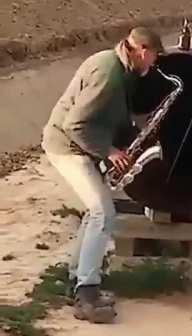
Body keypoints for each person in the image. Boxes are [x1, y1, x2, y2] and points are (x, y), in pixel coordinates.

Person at [42, 27, 166, 323]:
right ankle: (87, 290)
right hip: (68, 146)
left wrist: (136, 136)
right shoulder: (108, 73)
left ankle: (76, 279)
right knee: (102, 213)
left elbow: (113, 115)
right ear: (143, 50)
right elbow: (75, 124)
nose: (154, 65)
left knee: (94, 213)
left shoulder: (123, 71)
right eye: (154, 58)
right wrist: (110, 151)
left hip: (83, 147)